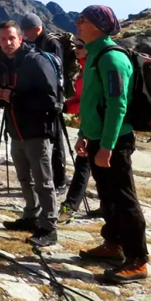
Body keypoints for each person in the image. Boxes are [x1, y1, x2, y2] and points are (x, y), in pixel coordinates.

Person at [73, 5, 148, 283]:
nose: (77, 23)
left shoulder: (111, 59)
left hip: (114, 141)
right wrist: (84, 134)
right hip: (97, 138)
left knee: (124, 199)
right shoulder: (94, 55)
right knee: (108, 196)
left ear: (97, 26)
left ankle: (138, 260)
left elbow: (118, 106)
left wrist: (107, 147)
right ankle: (113, 245)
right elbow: (92, 102)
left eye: (83, 20)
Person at [0, 20, 61, 247]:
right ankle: (30, 216)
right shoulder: (1, 62)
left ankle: (49, 227)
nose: (8, 43)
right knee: (24, 178)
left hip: (37, 131)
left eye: (12, 38)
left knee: (43, 182)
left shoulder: (35, 61)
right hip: (15, 130)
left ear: (21, 39)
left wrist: (14, 98)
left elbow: (53, 102)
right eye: (3, 39)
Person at [21, 13, 68, 195]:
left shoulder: (51, 43)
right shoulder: (36, 42)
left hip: (53, 99)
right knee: (46, 140)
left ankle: (60, 181)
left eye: (28, 31)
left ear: (38, 28)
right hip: (41, 99)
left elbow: (56, 72)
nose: (25, 35)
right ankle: (47, 178)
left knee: (56, 141)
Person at [60, 41, 95, 222]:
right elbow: (81, 100)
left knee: (83, 165)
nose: (76, 49)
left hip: (96, 126)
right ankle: (107, 206)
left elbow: (91, 101)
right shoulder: (84, 70)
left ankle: (70, 207)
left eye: (80, 46)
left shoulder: (93, 69)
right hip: (90, 125)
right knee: (93, 167)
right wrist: (65, 107)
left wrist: (65, 108)